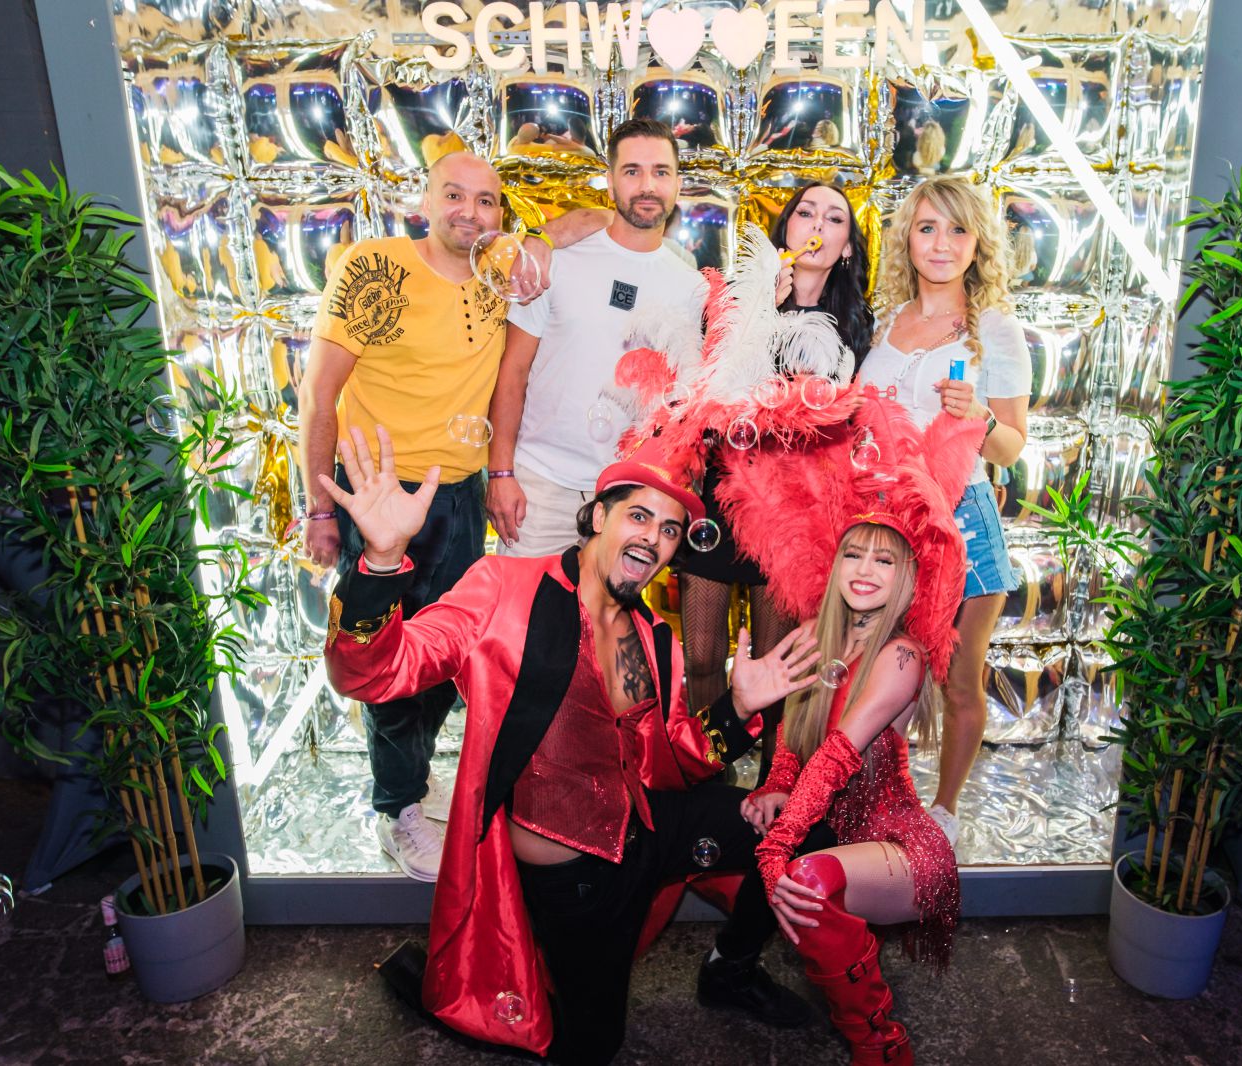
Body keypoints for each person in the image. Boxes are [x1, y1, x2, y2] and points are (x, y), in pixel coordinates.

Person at [322, 427, 830, 1065]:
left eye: (670, 529)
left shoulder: (655, 637)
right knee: (593, 1047)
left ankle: (730, 968)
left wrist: (739, 707)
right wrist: (379, 565)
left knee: (801, 830)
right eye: (639, 516)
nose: (653, 537)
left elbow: (672, 759)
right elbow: (372, 675)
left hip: (646, 830)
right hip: (574, 882)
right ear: (595, 518)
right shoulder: (503, 589)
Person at [298, 151, 599, 881]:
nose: (470, 211)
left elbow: (594, 216)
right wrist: (319, 507)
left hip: (458, 495)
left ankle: (412, 773)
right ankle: (398, 806)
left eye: (486, 201)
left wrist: (537, 240)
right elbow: (318, 392)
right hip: (381, 497)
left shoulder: (500, 269)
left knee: (445, 653)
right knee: (383, 654)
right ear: (425, 201)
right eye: (455, 195)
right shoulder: (376, 268)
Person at [713, 385, 988, 1065]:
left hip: (894, 841)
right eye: (855, 555)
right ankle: (730, 966)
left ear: (906, 577)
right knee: (725, 827)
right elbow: (794, 734)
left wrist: (777, 851)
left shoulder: (901, 655)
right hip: (829, 827)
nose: (866, 571)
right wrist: (774, 787)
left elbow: (837, 753)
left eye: (884, 559)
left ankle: (881, 1046)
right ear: (835, 564)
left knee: (799, 878)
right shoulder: (817, 635)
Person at [681, 182, 875, 781]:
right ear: (786, 228)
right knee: (703, 655)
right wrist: (760, 305)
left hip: (792, 513)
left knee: (778, 663)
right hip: (721, 496)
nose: (817, 224)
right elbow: (709, 390)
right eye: (805, 212)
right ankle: (707, 772)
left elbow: (848, 425)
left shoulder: (855, 324)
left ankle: (772, 788)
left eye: (834, 218)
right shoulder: (739, 300)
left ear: (846, 245)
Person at [858, 176, 1031, 845]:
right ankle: (878, 798)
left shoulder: (995, 331)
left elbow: (1011, 447)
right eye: (928, 227)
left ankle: (946, 811)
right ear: (908, 237)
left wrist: (980, 417)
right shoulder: (885, 321)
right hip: (884, 525)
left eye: (958, 229)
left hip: (962, 523)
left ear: (978, 244)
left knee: (960, 682)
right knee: (881, 678)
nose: (941, 243)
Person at [486, 118, 707, 557]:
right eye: (632, 171)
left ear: (678, 185)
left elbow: (680, 407)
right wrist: (500, 473)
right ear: (610, 182)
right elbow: (513, 370)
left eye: (661, 172)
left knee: (604, 606)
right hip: (539, 488)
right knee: (522, 602)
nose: (647, 185)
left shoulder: (692, 287)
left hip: (626, 496)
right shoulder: (557, 260)